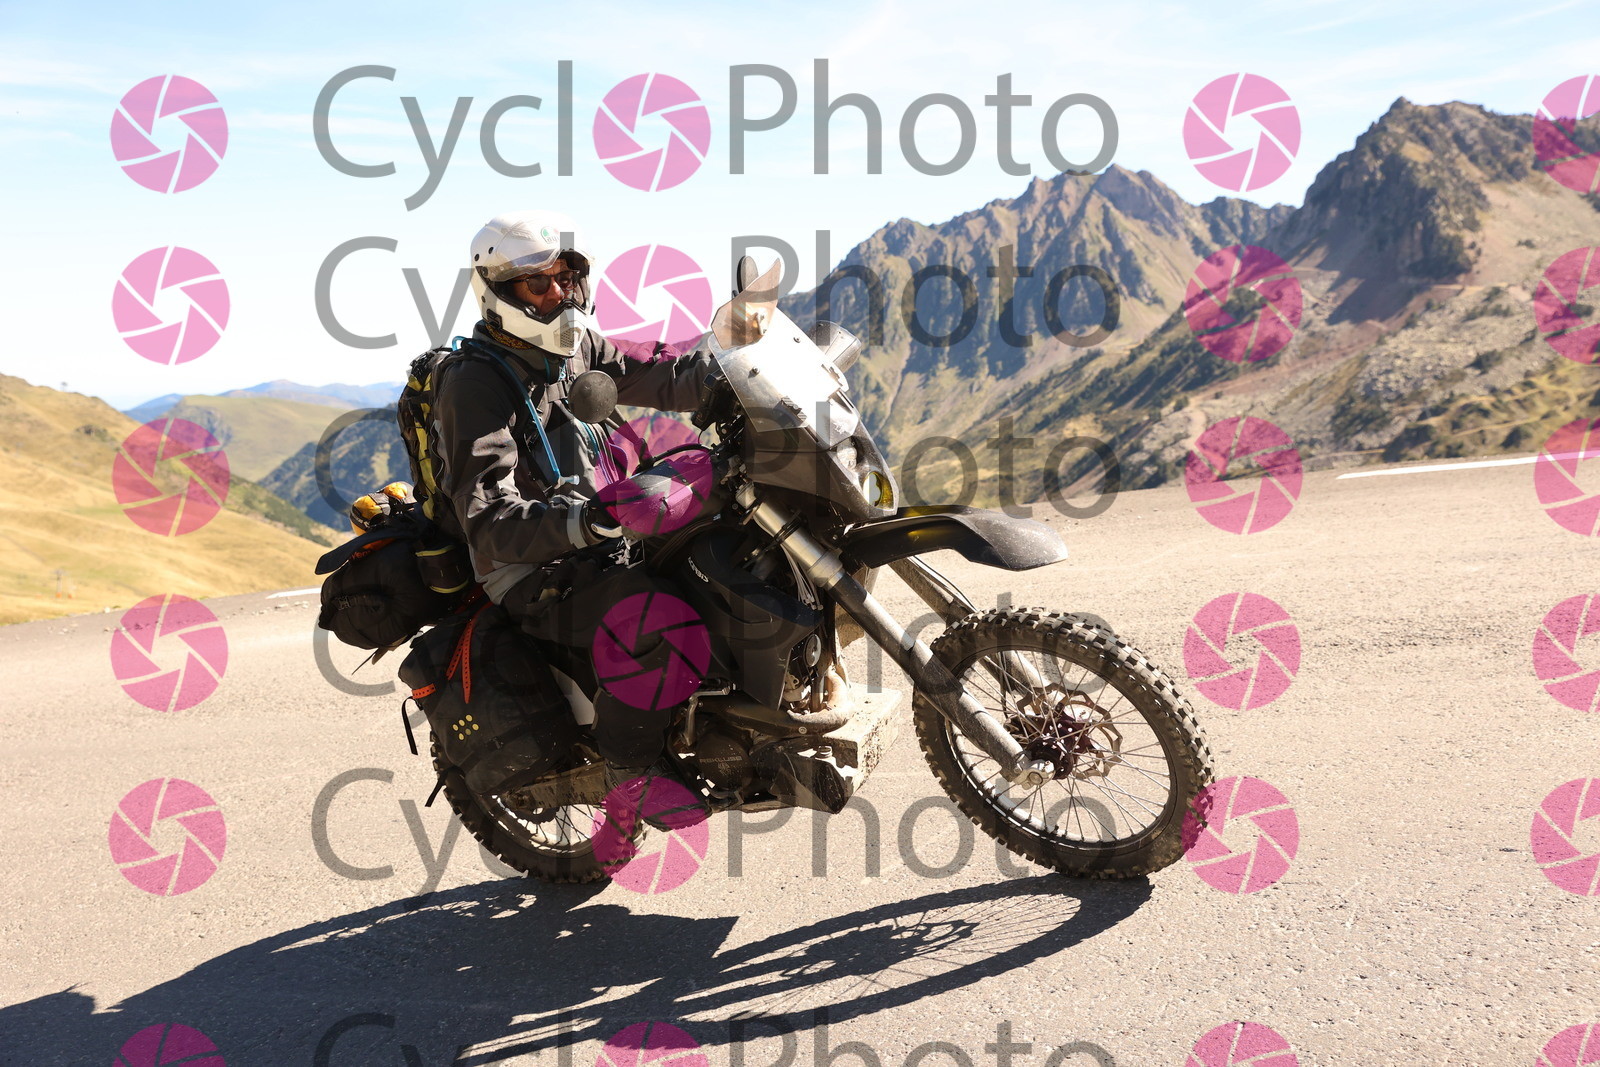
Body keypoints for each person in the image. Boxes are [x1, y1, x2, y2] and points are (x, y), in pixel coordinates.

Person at [427, 209, 720, 791]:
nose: (559, 294)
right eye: (538, 283)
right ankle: (633, 774)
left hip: (604, 531)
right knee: (657, 619)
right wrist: (587, 520)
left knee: (722, 551)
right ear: (498, 291)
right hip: (531, 568)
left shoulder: (576, 347)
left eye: (566, 278)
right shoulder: (474, 383)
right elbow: (488, 518)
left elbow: (662, 373)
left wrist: (736, 370)